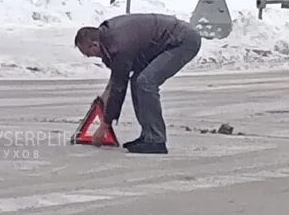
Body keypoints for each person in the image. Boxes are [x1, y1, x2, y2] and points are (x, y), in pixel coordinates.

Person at [74, 13, 202, 154]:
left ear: (94, 45)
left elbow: (119, 87)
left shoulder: (119, 44)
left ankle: (156, 140)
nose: (94, 57)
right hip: (165, 42)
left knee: (146, 82)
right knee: (137, 81)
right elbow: (117, 77)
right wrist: (103, 99)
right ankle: (148, 136)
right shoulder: (109, 37)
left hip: (183, 41)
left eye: (90, 54)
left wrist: (104, 125)